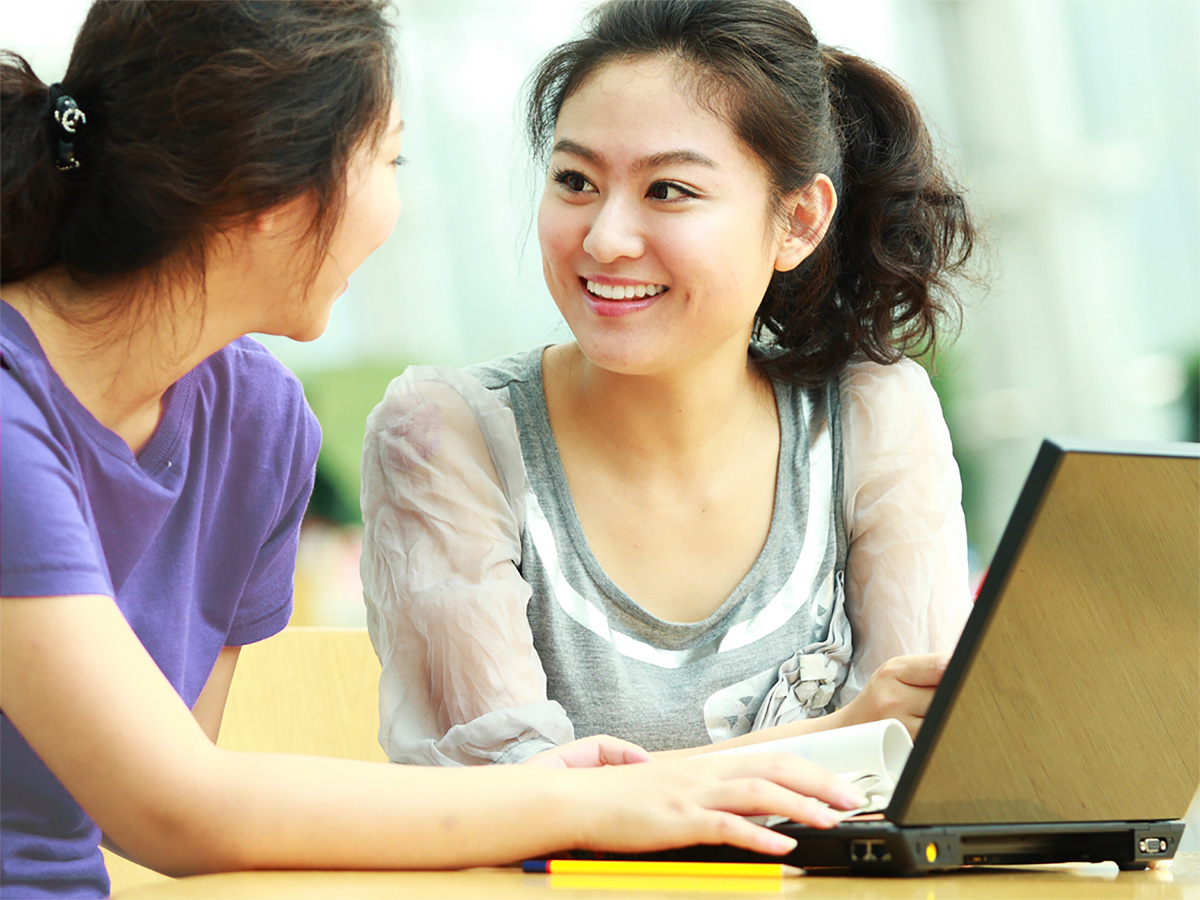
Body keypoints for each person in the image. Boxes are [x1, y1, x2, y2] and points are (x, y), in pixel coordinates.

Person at [0, 2, 870, 897]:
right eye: (389, 159)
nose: (395, 205)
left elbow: (177, 807)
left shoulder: (256, 429)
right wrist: (591, 804)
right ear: (266, 192)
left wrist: (546, 795)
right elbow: (176, 809)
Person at [360, 0, 977, 769]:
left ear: (798, 221)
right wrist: (836, 734)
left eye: (669, 191)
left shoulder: (871, 416)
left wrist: (871, 736)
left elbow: (918, 765)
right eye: (576, 180)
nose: (604, 238)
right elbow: (505, 797)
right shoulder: (443, 436)